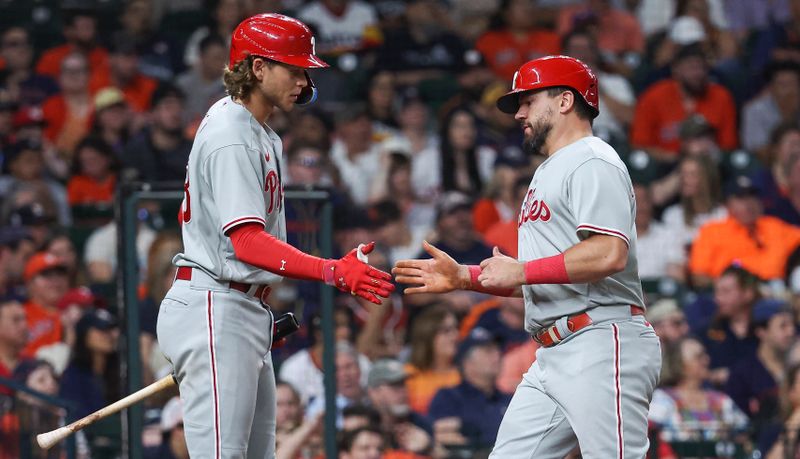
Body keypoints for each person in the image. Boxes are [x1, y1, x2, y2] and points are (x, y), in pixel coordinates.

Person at [393, 55, 662, 457]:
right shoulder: (548, 171)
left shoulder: (592, 159)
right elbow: (540, 275)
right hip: (554, 350)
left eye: (528, 101)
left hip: (602, 340)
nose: (519, 113)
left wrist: (520, 270)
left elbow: (609, 253)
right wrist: (467, 277)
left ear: (565, 101)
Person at [156, 14, 394, 459]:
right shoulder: (231, 134)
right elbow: (246, 242)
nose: (304, 82)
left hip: (240, 306)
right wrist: (331, 271)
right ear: (258, 68)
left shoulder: (259, 131)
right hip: (215, 305)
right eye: (295, 68)